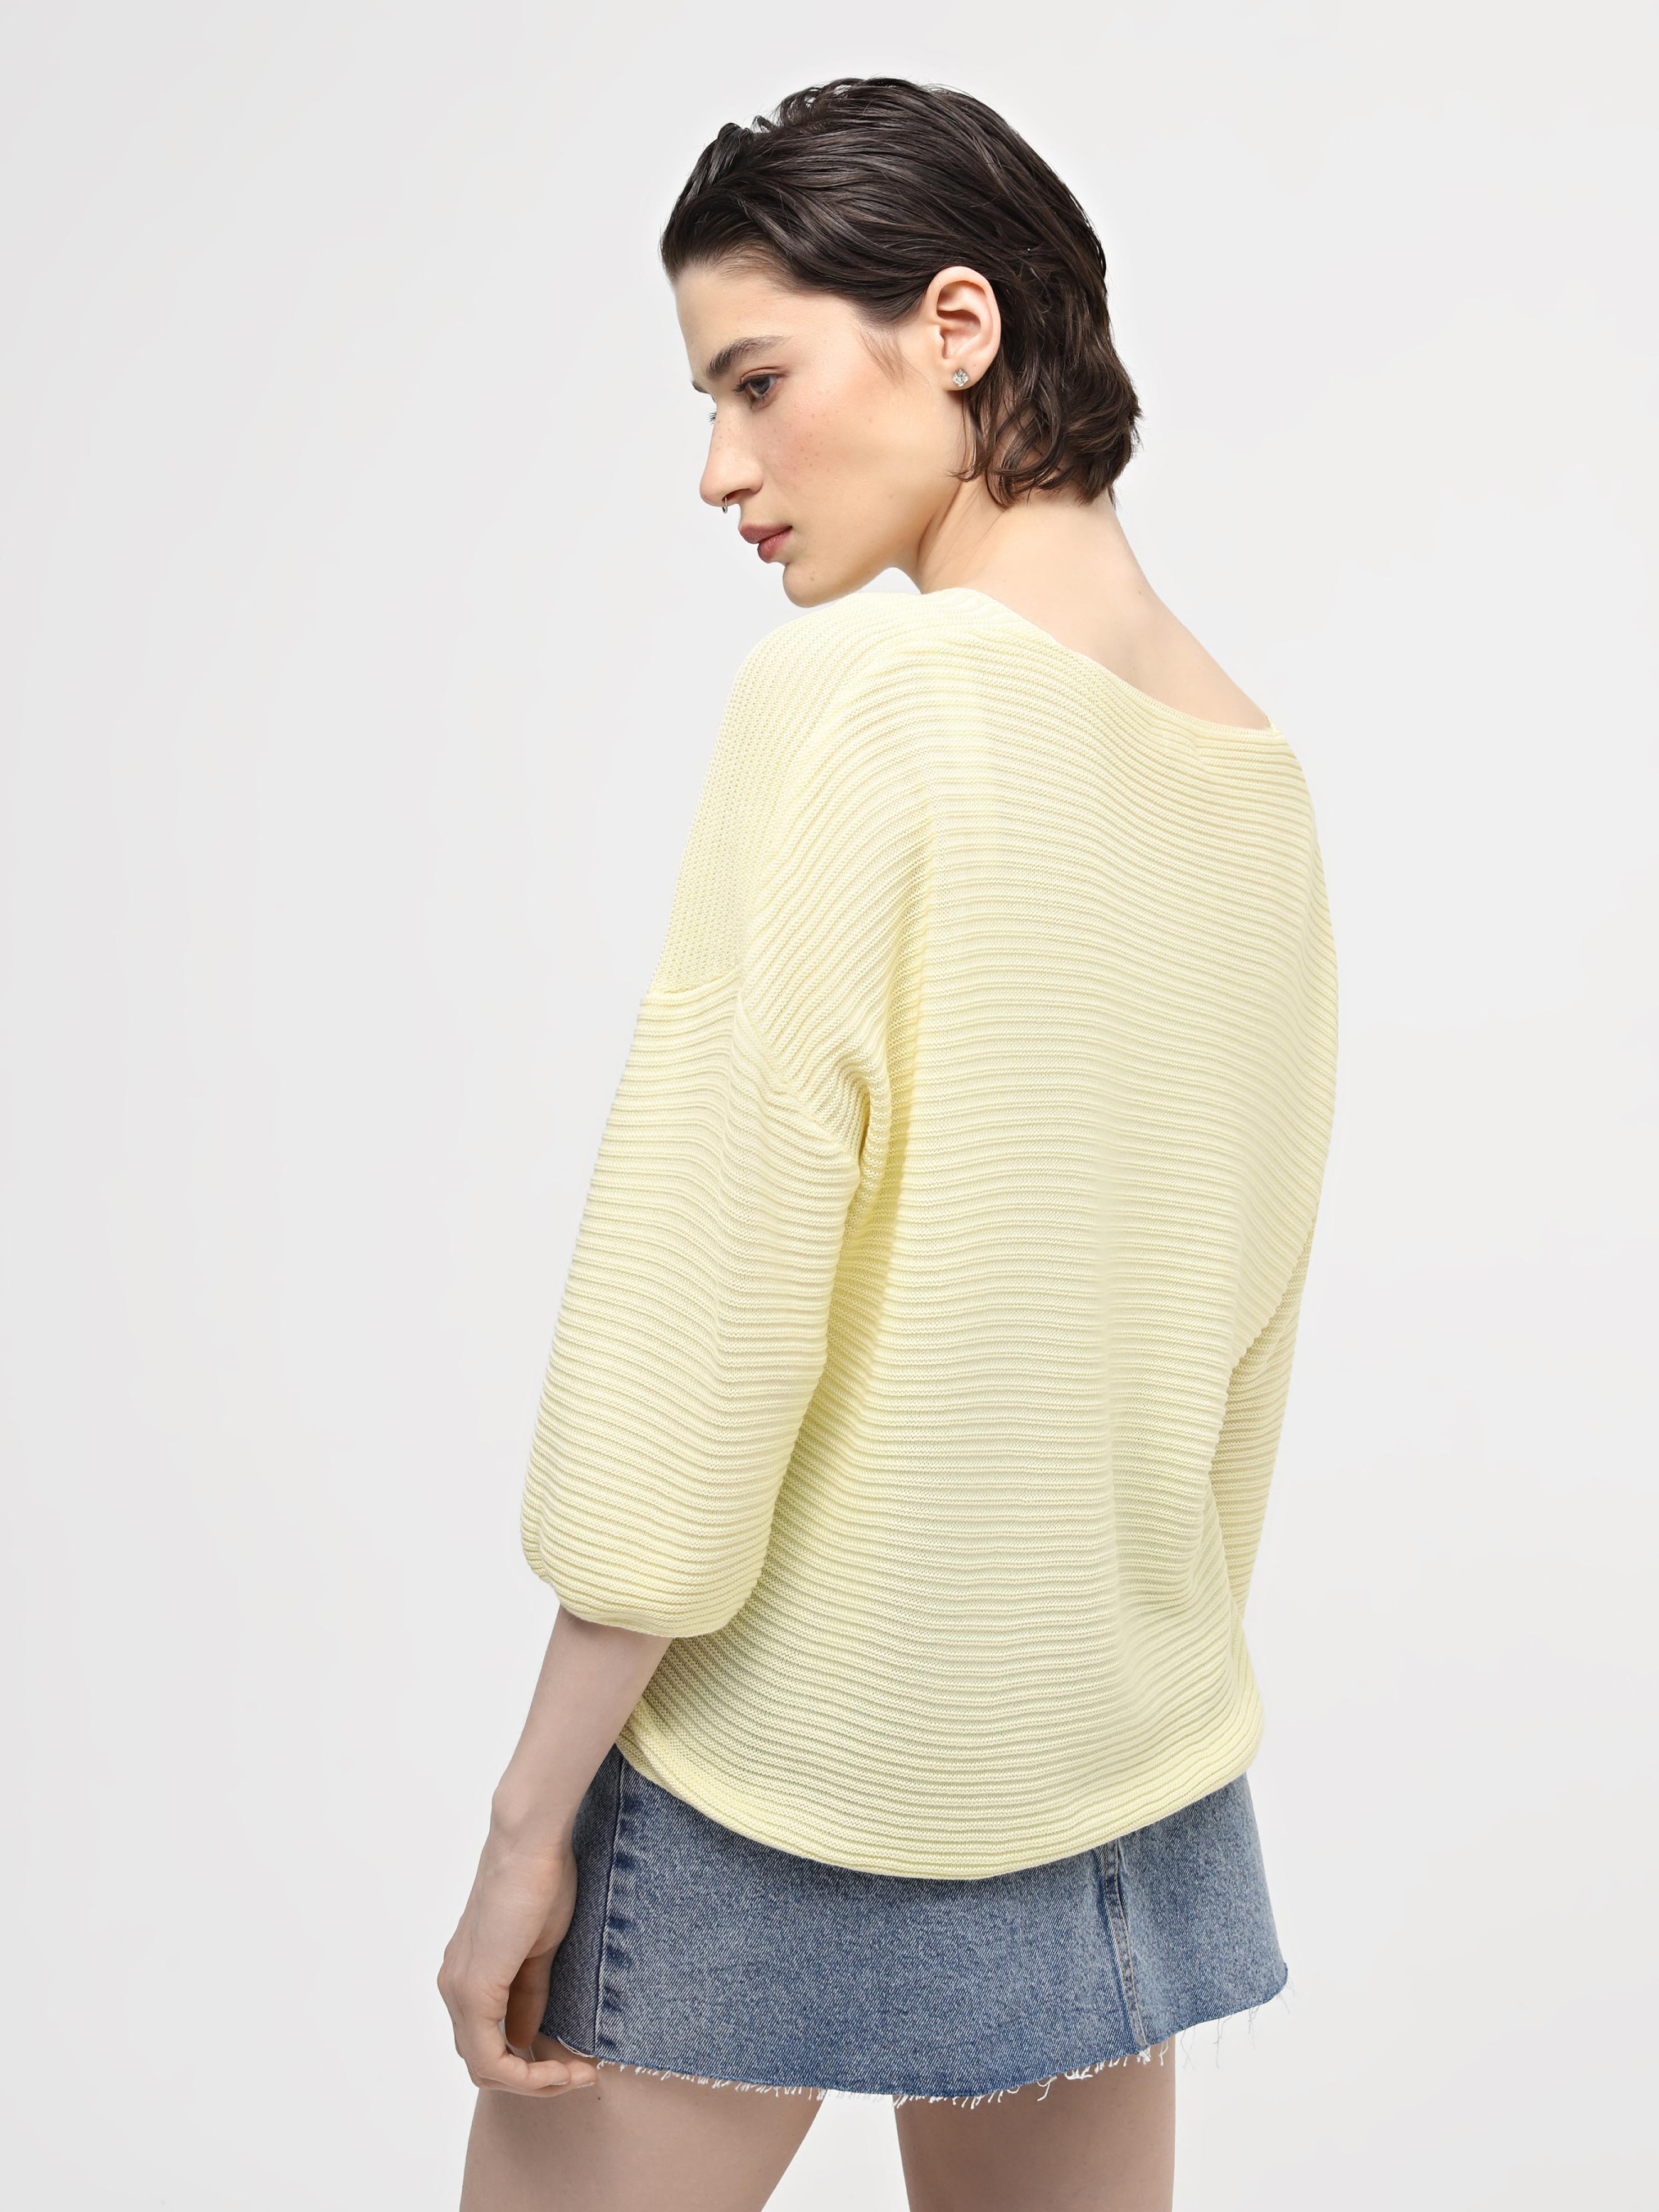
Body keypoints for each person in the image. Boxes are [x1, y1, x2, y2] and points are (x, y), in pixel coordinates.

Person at [441, 75, 1339, 2212]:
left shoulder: (860, 704)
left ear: (955, 325)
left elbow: (696, 1325)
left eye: (755, 382)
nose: (718, 469)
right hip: (1117, 1772)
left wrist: (524, 1824)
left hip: (783, 1768)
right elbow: (1239, 1344)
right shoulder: (1253, 776)